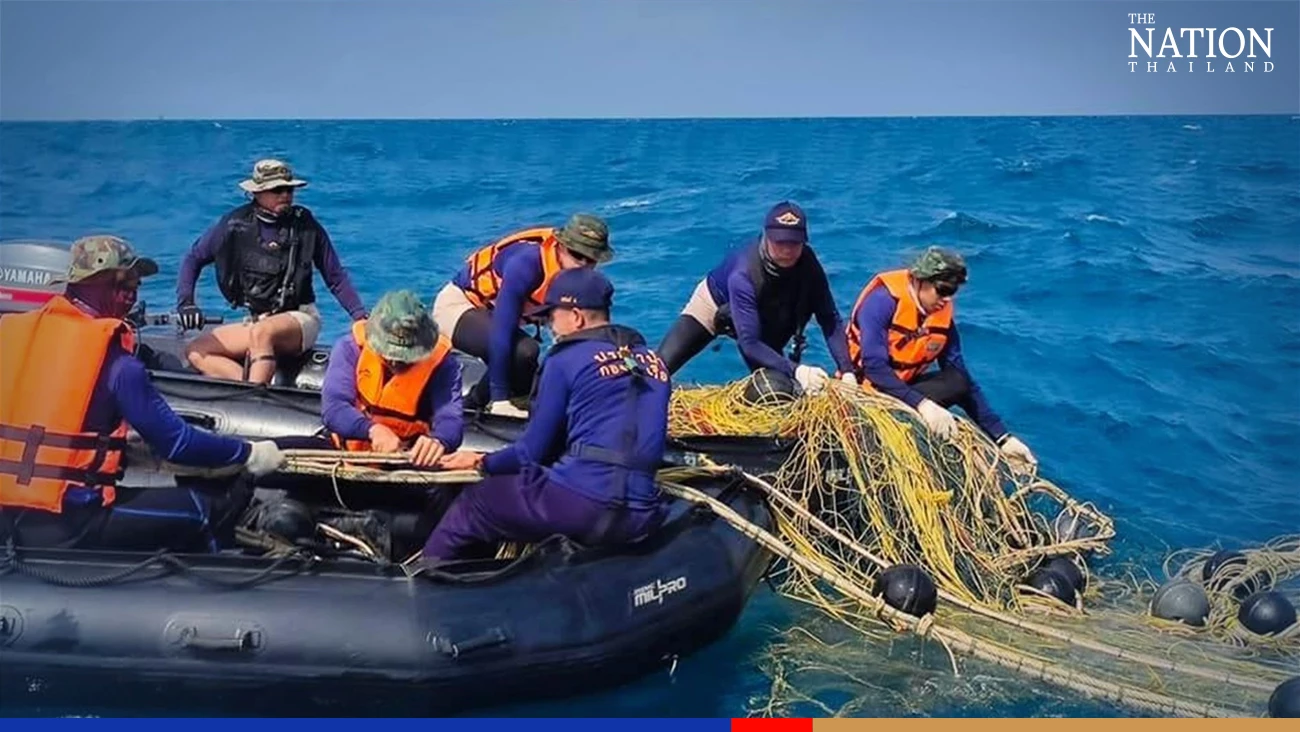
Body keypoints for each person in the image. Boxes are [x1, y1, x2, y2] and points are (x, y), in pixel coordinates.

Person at [0, 235, 286, 552]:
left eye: (137, 286)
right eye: (126, 284)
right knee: (208, 507)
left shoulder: (12, 338)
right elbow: (178, 444)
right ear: (97, 283)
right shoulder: (118, 365)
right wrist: (249, 454)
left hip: (8, 517)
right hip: (71, 525)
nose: (133, 296)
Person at [427, 268, 670, 561]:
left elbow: (531, 452)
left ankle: (426, 582)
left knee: (476, 502)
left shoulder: (565, 359)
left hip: (581, 505)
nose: (549, 327)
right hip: (641, 513)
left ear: (576, 316)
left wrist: (482, 461)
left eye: (551, 317)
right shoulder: (652, 361)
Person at [175, 159, 369, 384]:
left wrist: (359, 316)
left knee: (262, 333)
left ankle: (254, 395)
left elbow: (335, 277)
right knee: (197, 351)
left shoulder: (306, 226)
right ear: (257, 193)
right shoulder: (234, 225)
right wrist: (186, 302)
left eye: (289, 189)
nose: (285, 195)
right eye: (277, 190)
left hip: (300, 319)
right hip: (257, 321)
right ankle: (248, 393)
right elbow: (193, 258)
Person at [843, 246, 1038, 466]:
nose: (946, 299)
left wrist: (1003, 438)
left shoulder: (941, 317)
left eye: (952, 292)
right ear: (919, 280)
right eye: (942, 289)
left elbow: (961, 377)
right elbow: (874, 367)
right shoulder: (881, 302)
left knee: (957, 380)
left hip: (901, 392)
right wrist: (922, 404)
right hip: (863, 393)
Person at [656, 201, 855, 394]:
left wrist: (847, 371)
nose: (787, 251)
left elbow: (829, 319)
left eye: (794, 243)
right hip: (715, 303)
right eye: (780, 242)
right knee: (657, 371)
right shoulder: (742, 273)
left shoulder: (809, 265)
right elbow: (749, 343)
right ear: (766, 237)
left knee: (778, 388)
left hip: (767, 311)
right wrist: (798, 370)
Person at [432, 213, 613, 417]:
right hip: (459, 307)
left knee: (531, 375)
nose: (582, 264)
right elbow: (501, 332)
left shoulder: (579, 281)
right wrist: (500, 399)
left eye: (590, 260)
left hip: (497, 319)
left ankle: (486, 403)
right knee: (524, 352)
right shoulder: (526, 264)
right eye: (576, 254)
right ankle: (479, 404)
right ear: (560, 247)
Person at [317, 289, 464, 467]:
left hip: (406, 460)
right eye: (389, 353)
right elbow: (334, 408)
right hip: (345, 451)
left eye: (404, 357)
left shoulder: (444, 365)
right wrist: (372, 430)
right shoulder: (350, 348)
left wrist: (440, 440)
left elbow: (450, 418)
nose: (394, 361)